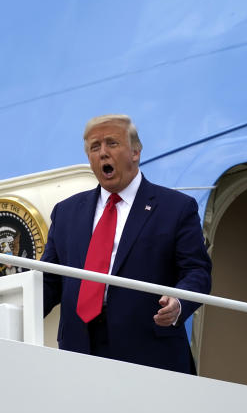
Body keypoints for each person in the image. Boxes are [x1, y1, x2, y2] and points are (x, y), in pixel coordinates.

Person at [41, 114, 212, 374]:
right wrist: (6, 310)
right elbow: (48, 282)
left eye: (112, 143)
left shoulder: (175, 208)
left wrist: (178, 302)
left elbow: (197, 272)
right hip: (79, 351)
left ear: (135, 152)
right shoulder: (66, 213)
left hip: (150, 353)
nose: (103, 153)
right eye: (95, 147)